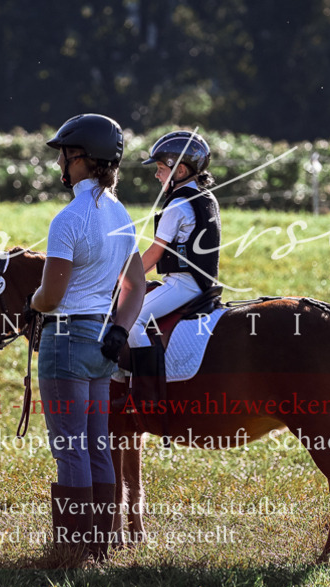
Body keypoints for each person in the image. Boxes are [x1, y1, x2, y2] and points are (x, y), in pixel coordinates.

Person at [28, 113, 145, 563]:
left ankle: (71, 550)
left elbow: (52, 293)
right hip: (102, 340)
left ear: (80, 160)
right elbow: (134, 286)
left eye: (63, 153)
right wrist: (120, 327)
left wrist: (32, 302)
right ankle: (98, 547)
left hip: (65, 341)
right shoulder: (121, 215)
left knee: (69, 446)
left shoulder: (68, 218)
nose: (60, 161)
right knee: (97, 445)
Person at [126, 131, 221, 404]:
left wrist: (125, 279)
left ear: (179, 170)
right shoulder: (205, 198)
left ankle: (147, 392)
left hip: (183, 284)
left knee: (132, 320)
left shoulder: (177, 205)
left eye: (160, 169)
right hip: (202, 283)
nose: (156, 175)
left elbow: (155, 253)